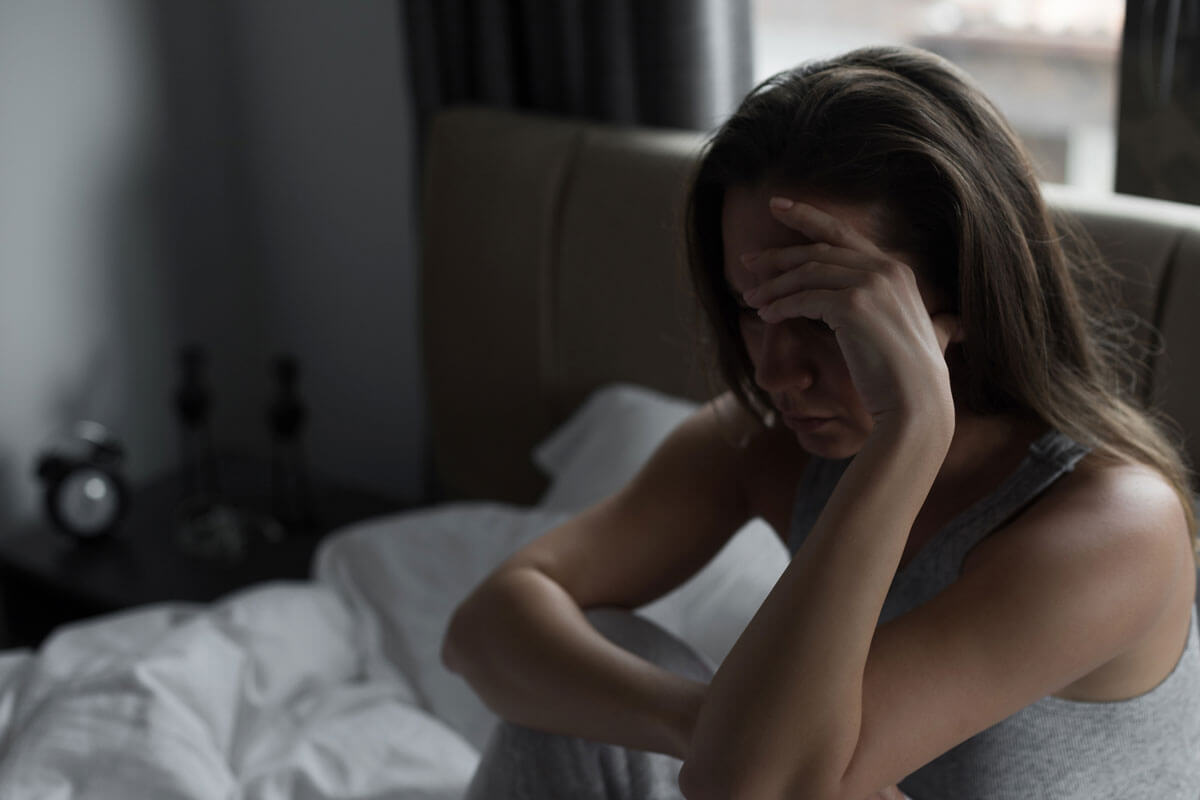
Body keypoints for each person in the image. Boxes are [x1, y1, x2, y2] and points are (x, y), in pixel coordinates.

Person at [441, 45, 1200, 800]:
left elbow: (767, 787)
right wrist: (697, 721)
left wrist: (912, 430)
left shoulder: (1118, 528)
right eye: (749, 310)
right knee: (588, 667)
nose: (776, 371)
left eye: (820, 317)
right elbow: (484, 626)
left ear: (956, 298)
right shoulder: (764, 446)